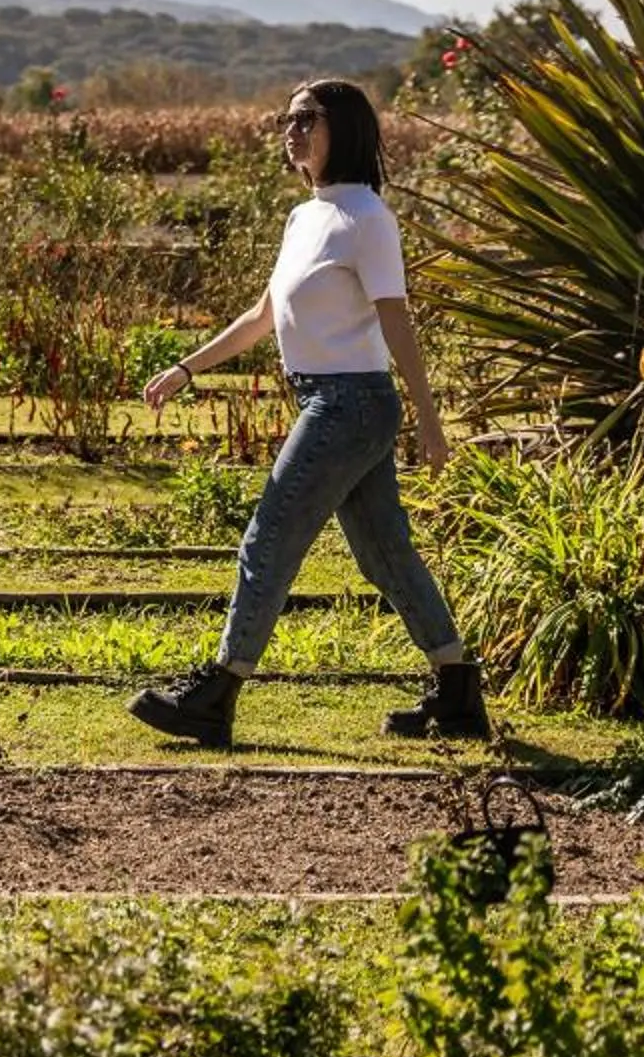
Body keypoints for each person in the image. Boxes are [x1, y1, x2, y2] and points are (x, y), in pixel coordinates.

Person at [125, 78, 487, 749]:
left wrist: (430, 420)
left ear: (343, 129)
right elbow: (263, 316)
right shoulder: (307, 216)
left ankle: (218, 691)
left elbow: (398, 323)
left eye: (306, 120)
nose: (291, 132)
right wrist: (186, 368)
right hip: (326, 398)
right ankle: (458, 689)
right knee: (383, 554)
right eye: (287, 120)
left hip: (351, 403)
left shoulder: (367, 220)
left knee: (270, 537)